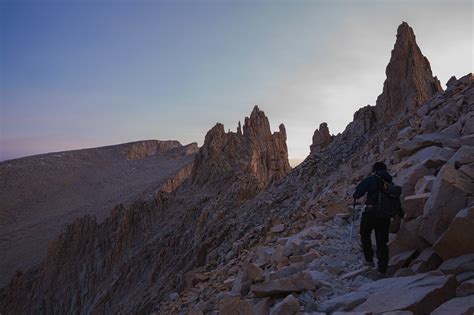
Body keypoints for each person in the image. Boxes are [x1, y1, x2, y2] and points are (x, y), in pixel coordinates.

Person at [353, 162, 403, 274]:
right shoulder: (390, 182)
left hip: (371, 213)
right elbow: (396, 200)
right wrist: (400, 215)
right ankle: (382, 268)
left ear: (375, 170)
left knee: (365, 235)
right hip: (385, 216)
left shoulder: (371, 179)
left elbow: (357, 194)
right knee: (382, 241)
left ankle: (369, 260)